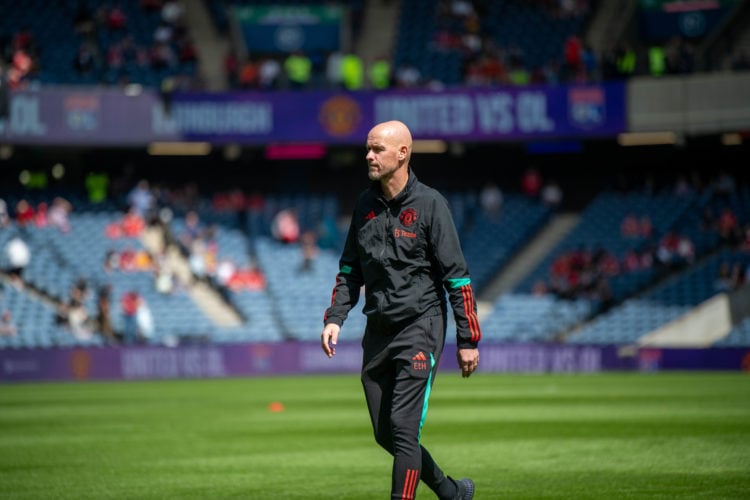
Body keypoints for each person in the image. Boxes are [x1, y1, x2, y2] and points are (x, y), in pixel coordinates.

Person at [320, 120, 480, 500]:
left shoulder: (431, 205)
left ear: (402, 153)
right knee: (384, 433)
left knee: (405, 430)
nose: (368, 155)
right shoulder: (364, 204)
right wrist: (335, 317)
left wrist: (468, 339)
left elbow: (457, 279)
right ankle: (451, 491)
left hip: (420, 326)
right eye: (368, 148)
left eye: (377, 149)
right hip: (377, 331)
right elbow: (349, 269)